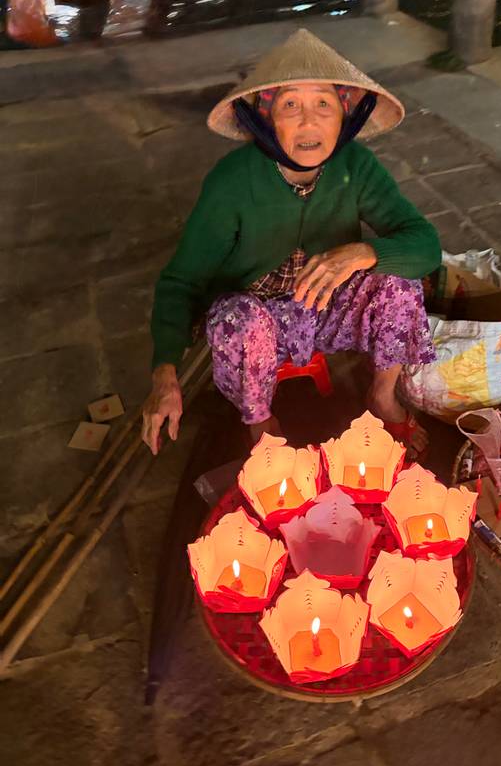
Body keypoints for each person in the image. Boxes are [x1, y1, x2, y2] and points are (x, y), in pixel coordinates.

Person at [141, 28, 441, 458]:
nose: (308, 122)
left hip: (330, 308)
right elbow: (181, 282)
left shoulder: (356, 165)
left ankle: (382, 396)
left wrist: (363, 252)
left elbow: (425, 244)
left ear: (344, 115)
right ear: (265, 119)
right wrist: (165, 376)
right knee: (234, 319)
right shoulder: (232, 181)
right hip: (260, 323)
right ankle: (260, 421)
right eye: (290, 105)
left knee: (399, 278)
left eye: (323, 104)